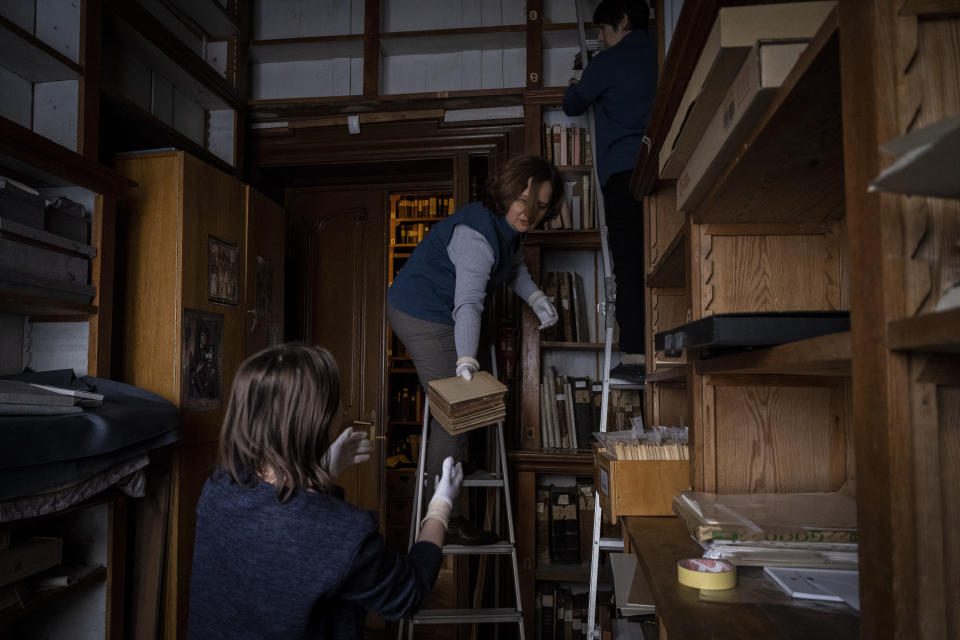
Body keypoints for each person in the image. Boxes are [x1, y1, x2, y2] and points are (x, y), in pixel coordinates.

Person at [187, 342, 464, 639]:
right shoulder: (343, 532)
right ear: (320, 422)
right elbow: (409, 592)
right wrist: (440, 506)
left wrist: (323, 467)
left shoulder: (220, 486)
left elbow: (279, 519)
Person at [386, 154, 564, 545]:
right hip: (420, 311)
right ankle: (443, 520)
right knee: (457, 406)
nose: (528, 211)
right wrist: (466, 361)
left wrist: (535, 299)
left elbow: (514, 267)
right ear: (506, 193)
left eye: (540, 205)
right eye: (522, 199)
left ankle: (453, 485)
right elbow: (469, 303)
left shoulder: (511, 229)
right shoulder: (476, 236)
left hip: (448, 313)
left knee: (465, 401)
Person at [563, 0, 657, 360]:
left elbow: (573, 104)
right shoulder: (661, 53)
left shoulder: (606, 63)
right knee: (664, 258)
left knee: (629, 265)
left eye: (603, 28)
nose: (600, 38)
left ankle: (634, 354)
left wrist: (578, 83)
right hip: (663, 169)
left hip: (622, 175)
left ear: (622, 20)